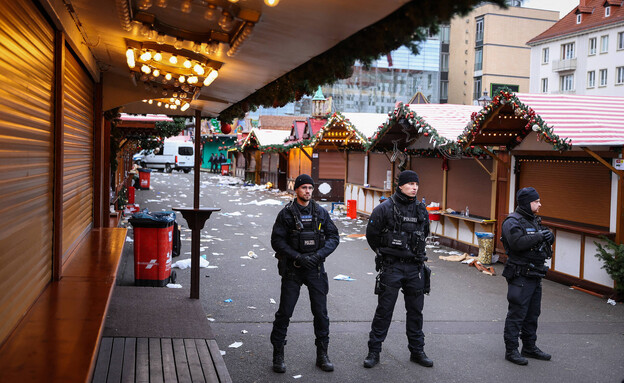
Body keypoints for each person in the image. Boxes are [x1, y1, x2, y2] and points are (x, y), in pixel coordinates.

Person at [270, 174, 340, 373]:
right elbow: (277, 241)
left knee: (321, 314)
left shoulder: (320, 212)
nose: (308, 191)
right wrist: (298, 257)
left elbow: (334, 237)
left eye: (310, 188)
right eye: (304, 188)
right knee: (284, 313)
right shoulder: (286, 214)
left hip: (316, 269)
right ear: (296, 190)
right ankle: (278, 355)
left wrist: (318, 256)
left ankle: (322, 355)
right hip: (293, 269)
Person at [363, 170, 433, 368]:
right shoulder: (385, 208)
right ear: (400, 185)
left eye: (416, 184)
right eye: (410, 184)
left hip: (414, 268)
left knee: (415, 312)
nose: (414, 187)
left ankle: (417, 351)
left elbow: (424, 233)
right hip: (392, 267)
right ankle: (374, 352)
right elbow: (372, 235)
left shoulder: (421, 209)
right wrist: (385, 253)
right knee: (384, 311)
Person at [501, 187, 554, 365]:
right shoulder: (512, 221)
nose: (540, 204)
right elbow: (517, 243)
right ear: (527, 202)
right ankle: (511, 350)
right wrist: (539, 236)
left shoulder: (533, 221)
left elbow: (539, 240)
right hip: (520, 274)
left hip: (535, 274)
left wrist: (549, 237)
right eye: (536, 201)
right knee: (517, 313)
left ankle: (529, 347)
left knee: (533, 314)